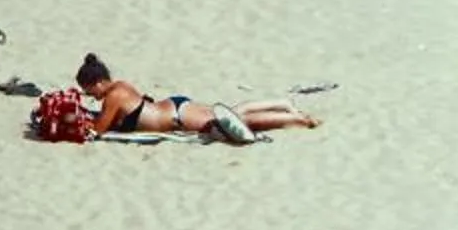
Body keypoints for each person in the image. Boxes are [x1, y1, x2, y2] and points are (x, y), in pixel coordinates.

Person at [75, 53, 320, 139]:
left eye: (89, 90)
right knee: (229, 113)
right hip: (174, 106)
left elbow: (99, 129)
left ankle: (299, 121)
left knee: (229, 123)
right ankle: (282, 105)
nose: (89, 96)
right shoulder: (122, 85)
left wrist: (75, 122)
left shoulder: (113, 97)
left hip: (176, 117)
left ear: (98, 83)